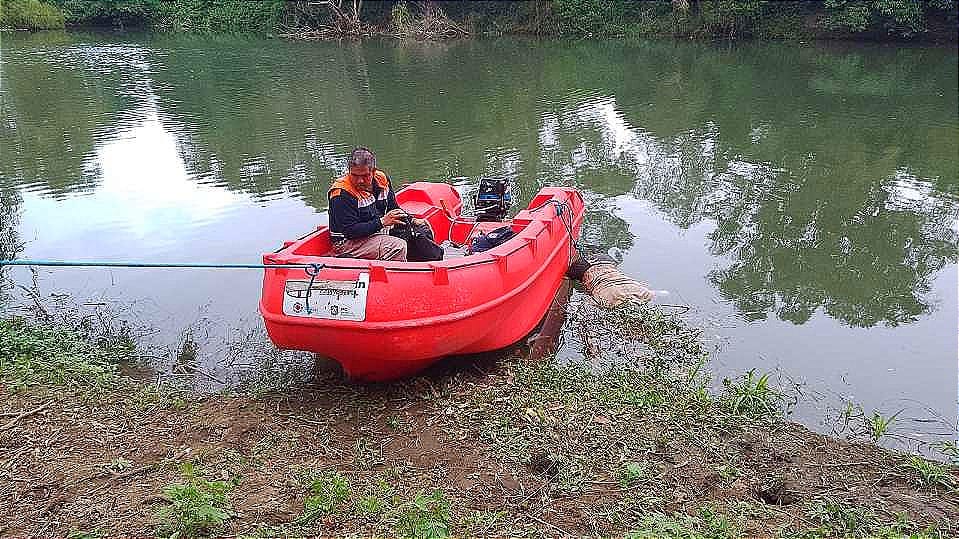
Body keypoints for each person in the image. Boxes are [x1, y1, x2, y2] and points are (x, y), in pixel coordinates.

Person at [328, 147, 425, 261]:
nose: (360, 181)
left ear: (373, 172)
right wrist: (382, 222)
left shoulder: (382, 180)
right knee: (397, 247)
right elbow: (350, 231)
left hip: (372, 231)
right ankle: (390, 274)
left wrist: (412, 220)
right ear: (349, 171)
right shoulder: (341, 193)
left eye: (365, 176)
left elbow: (393, 208)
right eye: (354, 175)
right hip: (347, 242)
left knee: (421, 229)